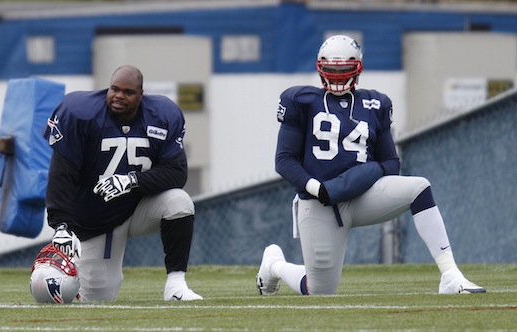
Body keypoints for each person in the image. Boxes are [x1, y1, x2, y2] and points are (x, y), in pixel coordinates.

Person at [257, 35, 485, 296]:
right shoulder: (300, 100)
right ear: (320, 68)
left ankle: (450, 275)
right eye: (332, 69)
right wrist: (318, 188)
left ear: (358, 67)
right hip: (320, 202)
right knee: (319, 290)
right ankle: (274, 265)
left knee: (419, 188)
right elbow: (283, 160)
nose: (338, 75)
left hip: (362, 196)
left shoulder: (375, 103)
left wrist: (357, 178)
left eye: (344, 69)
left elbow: (390, 163)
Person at [42, 65, 202, 302]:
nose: (118, 96)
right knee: (98, 298)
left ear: (141, 94)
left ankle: (176, 286)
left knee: (179, 201)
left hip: (138, 207)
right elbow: (61, 174)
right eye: (114, 89)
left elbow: (177, 173)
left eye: (128, 92)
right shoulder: (79, 112)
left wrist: (131, 180)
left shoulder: (163, 114)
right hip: (94, 220)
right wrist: (61, 225)